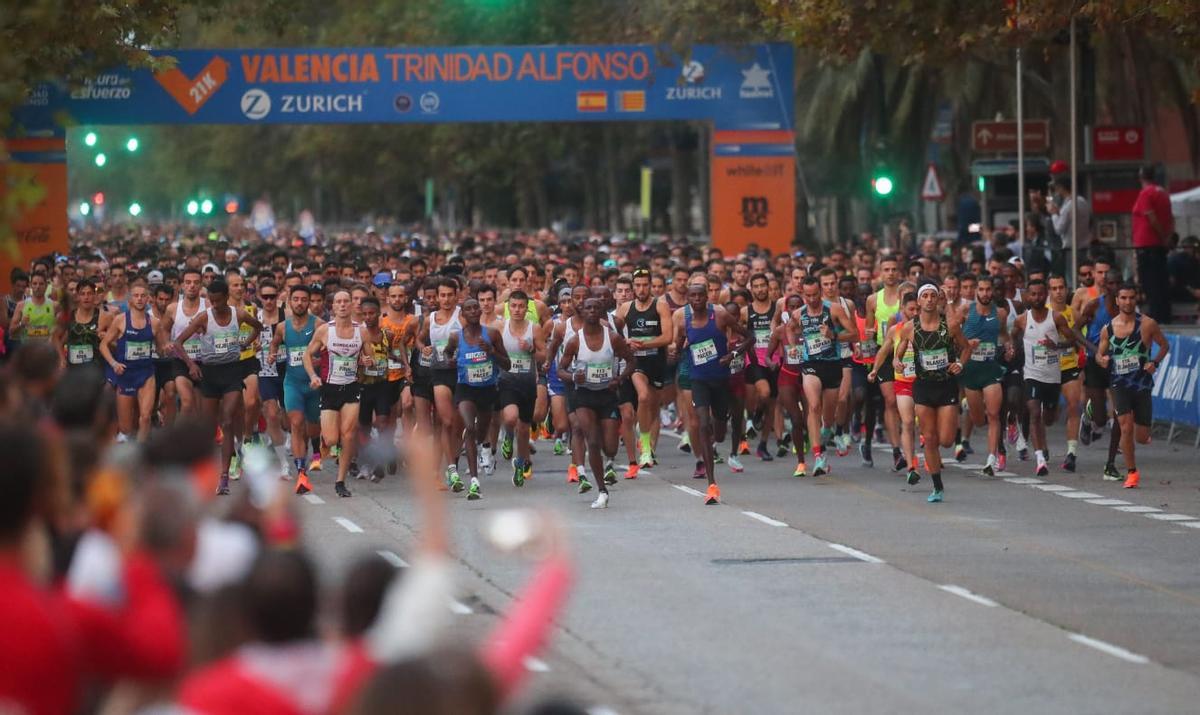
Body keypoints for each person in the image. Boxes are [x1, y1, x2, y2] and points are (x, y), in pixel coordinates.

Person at [173, 278, 263, 494]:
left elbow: (258, 327)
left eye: (218, 300)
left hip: (232, 372)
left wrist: (246, 343)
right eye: (211, 301)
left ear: (226, 297)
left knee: (227, 418)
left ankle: (224, 476)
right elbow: (178, 342)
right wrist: (191, 364)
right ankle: (207, 470)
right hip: (210, 374)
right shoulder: (204, 317)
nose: (214, 305)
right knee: (208, 427)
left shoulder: (238, 314)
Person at [671, 284, 750, 504]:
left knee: (720, 431)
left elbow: (749, 337)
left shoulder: (720, 316)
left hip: (721, 380)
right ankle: (712, 483)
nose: (696, 299)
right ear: (687, 298)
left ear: (707, 298)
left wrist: (732, 354)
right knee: (702, 424)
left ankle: (717, 443)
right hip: (699, 382)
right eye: (692, 296)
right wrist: (674, 354)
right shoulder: (684, 322)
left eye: (700, 295)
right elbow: (678, 348)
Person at [895, 283, 971, 502]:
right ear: (918, 301)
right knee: (929, 439)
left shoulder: (951, 325)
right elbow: (901, 346)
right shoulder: (911, 327)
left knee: (946, 440)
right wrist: (897, 360)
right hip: (923, 387)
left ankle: (942, 450)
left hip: (946, 385)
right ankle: (937, 487)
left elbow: (966, 348)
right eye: (925, 296)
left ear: (938, 300)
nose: (929, 299)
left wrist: (960, 364)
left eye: (933, 296)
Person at [558, 297, 635, 508]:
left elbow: (631, 361)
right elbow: (560, 369)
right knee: (591, 440)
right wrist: (574, 377)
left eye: (596, 308)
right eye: (588, 307)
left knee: (609, 448)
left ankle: (604, 453)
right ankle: (602, 490)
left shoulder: (613, 338)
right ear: (582, 311)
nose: (592, 311)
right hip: (583, 396)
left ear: (602, 312)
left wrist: (619, 379)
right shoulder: (575, 341)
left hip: (607, 395)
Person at [1095, 283, 1169, 488]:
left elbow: (1164, 345)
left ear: (1136, 300)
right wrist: (1101, 360)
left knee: (1142, 437)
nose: (1127, 302)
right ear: (1117, 300)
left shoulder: (1147, 324)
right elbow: (1099, 354)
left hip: (1142, 385)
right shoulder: (1108, 329)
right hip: (1119, 384)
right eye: (1123, 298)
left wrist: (1154, 362)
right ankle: (1132, 472)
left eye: (1131, 298)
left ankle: (1144, 436)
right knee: (1125, 426)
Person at [444, 297, 510, 500]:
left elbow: (507, 364)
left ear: (480, 312)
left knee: (481, 434)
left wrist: (491, 352)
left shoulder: (491, 334)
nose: (473, 311)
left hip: (488, 390)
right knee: (469, 429)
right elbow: (447, 353)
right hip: (465, 389)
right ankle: (474, 480)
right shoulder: (456, 337)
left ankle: (458, 463)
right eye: (468, 309)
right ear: (462, 314)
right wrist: (450, 361)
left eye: (475, 308)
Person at [1011, 279, 1078, 477]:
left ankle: (1043, 442)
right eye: (1033, 294)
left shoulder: (1056, 318)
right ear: (1027, 296)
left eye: (1040, 294)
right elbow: (1013, 336)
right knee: (1034, 412)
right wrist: (1013, 350)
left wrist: (1056, 346)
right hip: (1031, 374)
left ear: (1045, 295)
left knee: (1049, 418)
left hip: (1053, 376)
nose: (1037, 298)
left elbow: (1072, 340)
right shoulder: (1022, 319)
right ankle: (1040, 459)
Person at [304, 289, 366, 498]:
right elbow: (307, 355)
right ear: (333, 306)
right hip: (329, 388)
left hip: (351, 387)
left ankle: (340, 481)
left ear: (351, 305)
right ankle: (325, 441)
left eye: (346, 301)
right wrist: (313, 375)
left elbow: (372, 356)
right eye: (338, 302)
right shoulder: (324, 330)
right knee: (331, 439)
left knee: (348, 435)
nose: (342, 305)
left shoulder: (361, 331)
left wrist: (368, 361)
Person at [797, 276, 856, 476]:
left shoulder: (834, 309)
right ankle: (818, 456)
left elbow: (854, 333)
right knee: (813, 405)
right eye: (808, 295)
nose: (812, 299)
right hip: (810, 365)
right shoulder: (799, 314)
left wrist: (834, 336)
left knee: (828, 414)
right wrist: (794, 346)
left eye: (815, 295)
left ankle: (827, 429)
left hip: (832, 365)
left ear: (820, 292)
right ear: (803, 294)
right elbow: (787, 329)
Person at [616, 268, 674, 470]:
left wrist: (644, 344)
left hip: (656, 362)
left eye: (645, 285)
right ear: (633, 287)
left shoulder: (661, 306)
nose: (641, 289)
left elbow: (668, 337)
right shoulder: (624, 309)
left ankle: (650, 450)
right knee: (642, 397)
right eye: (637, 285)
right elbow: (615, 337)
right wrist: (626, 343)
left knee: (654, 408)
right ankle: (645, 450)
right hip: (636, 364)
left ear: (650, 286)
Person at [269, 283, 322, 493]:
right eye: (296, 299)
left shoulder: (319, 324)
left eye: (303, 299)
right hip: (292, 383)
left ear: (309, 302)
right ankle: (301, 471)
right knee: (296, 423)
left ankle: (313, 448)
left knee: (312, 429)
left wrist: (320, 360)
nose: (300, 303)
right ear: (290, 302)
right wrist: (273, 353)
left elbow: (327, 348)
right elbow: (275, 342)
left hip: (314, 384)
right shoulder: (283, 326)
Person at [958, 275, 1011, 476]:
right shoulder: (965, 311)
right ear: (976, 291)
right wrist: (966, 344)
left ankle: (991, 458)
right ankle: (968, 405)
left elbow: (1004, 335)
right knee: (979, 420)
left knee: (994, 415)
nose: (985, 294)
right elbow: (953, 335)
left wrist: (1008, 347)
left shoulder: (1000, 313)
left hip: (991, 369)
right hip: (971, 369)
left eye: (988, 290)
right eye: (981, 290)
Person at [98, 281, 162, 442]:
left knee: (145, 417)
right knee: (126, 428)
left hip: (146, 374)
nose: (140, 299)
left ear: (148, 299)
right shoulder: (120, 320)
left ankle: (141, 454)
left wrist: (167, 348)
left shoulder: (154, 323)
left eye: (143, 296)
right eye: (136, 296)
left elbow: (161, 349)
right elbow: (103, 345)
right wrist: (114, 364)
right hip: (125, 374)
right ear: (130, 300)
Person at [497, 290, 545, 486]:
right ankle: (508, 435)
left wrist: (531, 349)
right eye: (513, 306)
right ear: (509, 307)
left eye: (521, 306)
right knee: (510, 417)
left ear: (527, 308)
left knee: (524, 429)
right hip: (507, 382)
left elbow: (544, 356)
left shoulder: (534, 329)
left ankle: (520, 462)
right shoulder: (500, 327)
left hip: (527, 383)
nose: (517, 310)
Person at [1048, 274, 1084, 472]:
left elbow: (1079, 339)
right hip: (1047, 369)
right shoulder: (1041, 313)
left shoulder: (1075, 314)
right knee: (1048, 417)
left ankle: (1071, 453)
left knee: (1073, 405)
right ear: (1049, 291)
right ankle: (1042, 448)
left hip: (1069, 366)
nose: (1058, 292)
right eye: (1054, 288)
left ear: (1067, 289)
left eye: (1061, 287)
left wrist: (1082, 355)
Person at [160, 267, 208, 416]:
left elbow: (217, 331)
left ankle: (200, 437)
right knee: (186, 402)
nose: (191, 286)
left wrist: (204, 330)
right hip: (181, 361)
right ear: (182, 285)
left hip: (205, 361)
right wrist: (166, 343)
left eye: (195, 282)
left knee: (202, 410)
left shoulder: (208, 306)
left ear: (201, 285)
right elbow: (164, 329)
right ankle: (178, 438)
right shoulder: (173, 308)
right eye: (187, 282)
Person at [1132, 164, 1175, 323]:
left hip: (1147, 245)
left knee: (1151, 285)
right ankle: (1164, 316)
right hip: (1158, 246)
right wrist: (1167, 237)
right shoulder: (1163, 192)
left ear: (1141, 177)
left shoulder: (1146, 193)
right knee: (1161, 282)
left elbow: (1151, 217)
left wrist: (1163, 236)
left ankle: (1156, 319)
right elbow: (1170, 218)